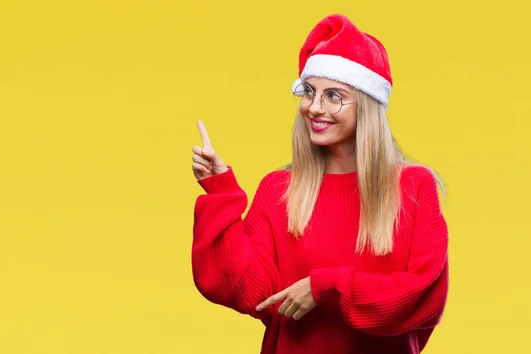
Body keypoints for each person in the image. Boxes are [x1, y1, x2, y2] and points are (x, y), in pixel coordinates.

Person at [190, 14, 449, 354]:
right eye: (309, 92)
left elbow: (422, 295)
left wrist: (327, 286)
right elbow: (245, 290)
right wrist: (220, 191)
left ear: (368, 105)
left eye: (333, 96)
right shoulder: (279, 190)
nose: (313, 107)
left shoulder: (414, 187)